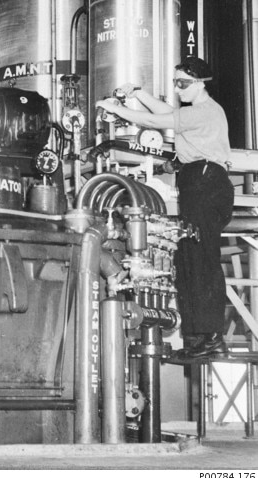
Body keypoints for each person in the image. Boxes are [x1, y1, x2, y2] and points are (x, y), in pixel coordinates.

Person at [96, 57, 234, 359]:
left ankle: (213, 338)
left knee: (203, 260)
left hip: (207, 184)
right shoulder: (191, 111)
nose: (177, 88)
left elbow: (158, 122)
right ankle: (197, 339)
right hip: (196, 184)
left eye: (182, 83)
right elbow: (167, 112)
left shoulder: (207, 112)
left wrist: (117, 109)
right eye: (175, 82)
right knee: (188, 261)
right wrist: (138, 93)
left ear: (200, 84)